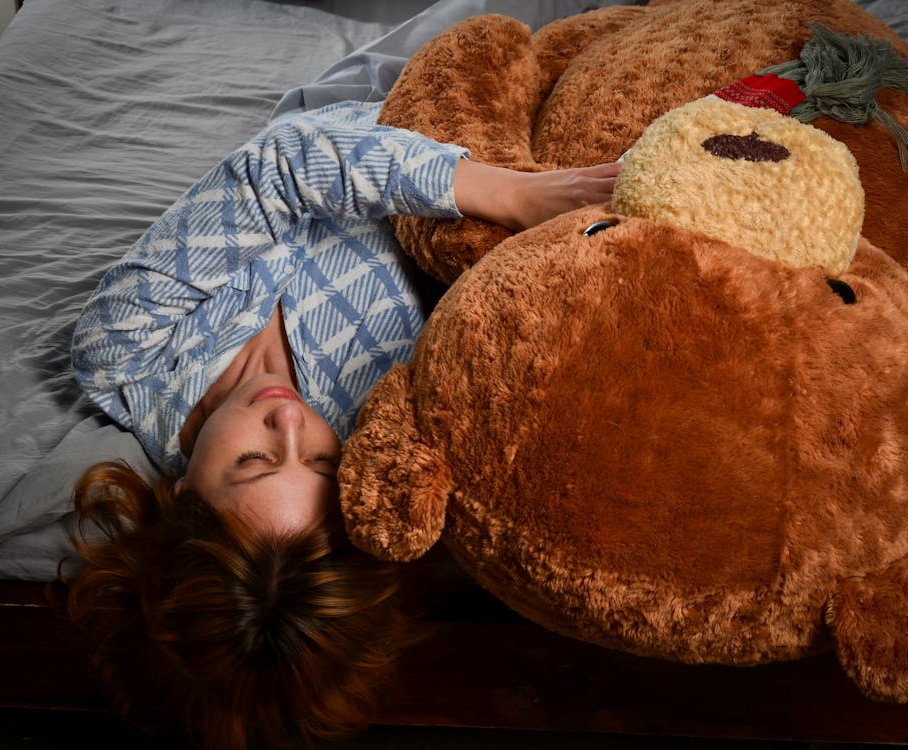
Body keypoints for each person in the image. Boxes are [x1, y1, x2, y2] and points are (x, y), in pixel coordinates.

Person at [65, 98, 618, 750]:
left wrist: (516, 194)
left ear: (182, 495)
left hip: (378, 106)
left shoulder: (122, 354)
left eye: (254, 461)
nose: (290, 421)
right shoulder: (380, 414)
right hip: (468, 131)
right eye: (321, 462)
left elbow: (286, 162)